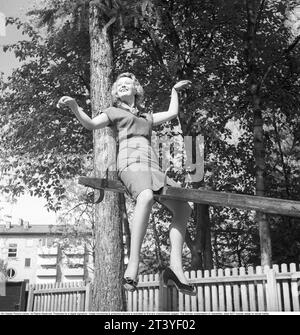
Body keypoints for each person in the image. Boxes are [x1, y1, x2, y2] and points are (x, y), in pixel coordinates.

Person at [57, 73, 196, 295]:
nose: (122, 85)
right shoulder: (113, 112)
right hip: (130, 162)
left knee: (184, 208)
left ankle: (176, 269)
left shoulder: (146, 117)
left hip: (152, 166)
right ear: (115, 91)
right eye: (119, 84)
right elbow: (91, 124)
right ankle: (133, 264)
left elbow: (172, 113)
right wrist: (75, 106)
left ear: (135, 89)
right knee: (146, 197)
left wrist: (174, 91)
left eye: (127, 83)